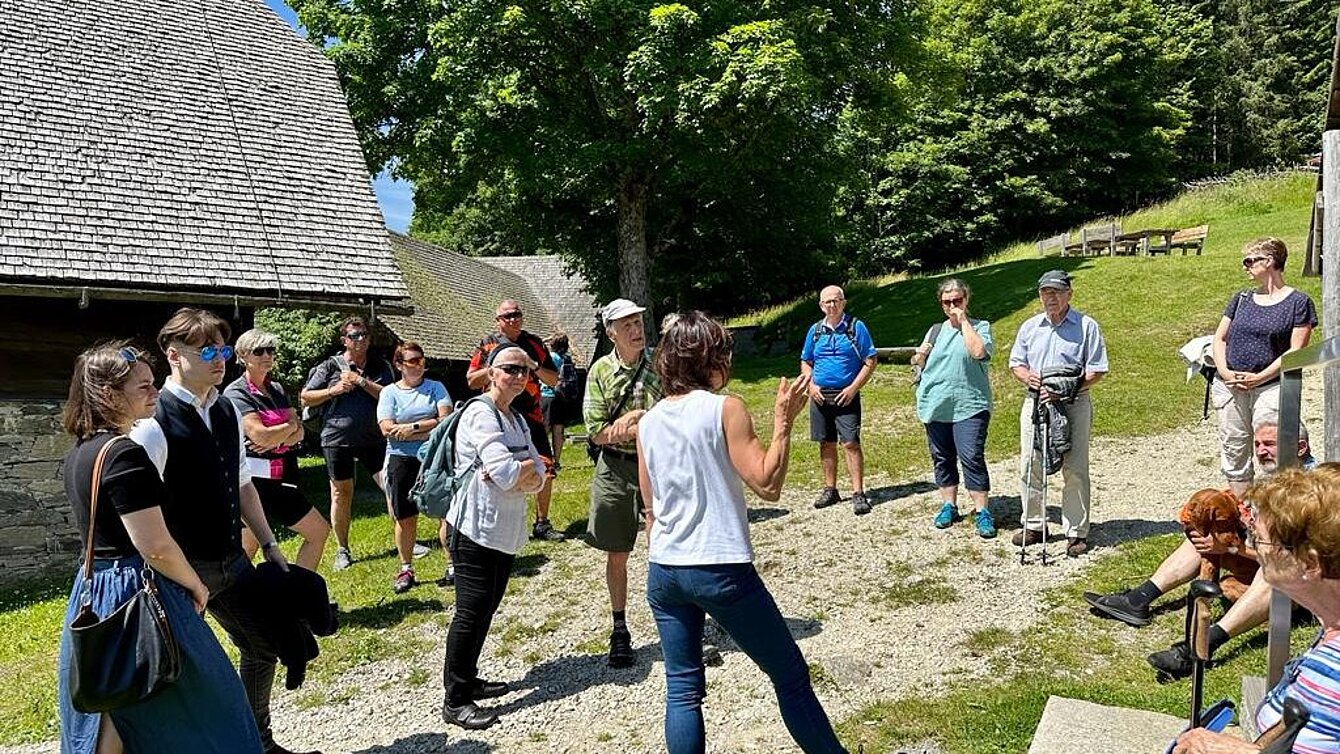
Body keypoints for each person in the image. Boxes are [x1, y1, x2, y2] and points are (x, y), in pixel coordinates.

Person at [638, 311, 848, 754]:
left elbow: (650, 506)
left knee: (682, 689)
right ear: (709, 358)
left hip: (664, 569)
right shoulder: (724, 409)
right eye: (724, 352)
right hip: (718, 566)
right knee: (789, 674)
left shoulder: (649, 421)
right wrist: (784, 422)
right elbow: (768, 484)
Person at [57, 342, 263, 754]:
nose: (154, 394)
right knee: (209, 702)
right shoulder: (124, 455)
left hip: (93, 587)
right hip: (135, 589)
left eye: (153, 385)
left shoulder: (81, 454)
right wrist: (195, 586)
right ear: (109, 394)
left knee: (113, 696)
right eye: (143, 387)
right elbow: (154, 546)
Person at [129, 308, 315, 754]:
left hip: (231, 560)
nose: (220, 359)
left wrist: (268, 544)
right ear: (173, 356)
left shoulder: (226, 409)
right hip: (180, 572)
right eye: (207, 350)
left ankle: (258, 744)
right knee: (177, 673)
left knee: (263, 645)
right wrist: (169, 573)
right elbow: (139, 511)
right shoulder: (154, 425)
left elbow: (243, 483)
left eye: (224, 350)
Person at [1085, 421, 1315, 679]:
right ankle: (1138, 599)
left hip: (1304, 585)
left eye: (1270, 444)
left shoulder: (1310, 493)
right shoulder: (1277, 478)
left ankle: (1201, 645)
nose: (1261, 451)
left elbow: (1290, 559)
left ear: (1300, 448)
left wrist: (1234, 548)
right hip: (1265, 558)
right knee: (1204, 538)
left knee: (1270, 576)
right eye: (1258, 444)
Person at [1172, 466, 1340, 754]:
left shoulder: (1332, 673)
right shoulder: (1330, 634)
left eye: (1259, 540)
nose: (1255, 550)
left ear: (1310, 564)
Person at [441, 346, 547, 731]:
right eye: (510, 369)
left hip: (503, 529)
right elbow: (505, 472)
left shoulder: (515, 418)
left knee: (486, 609)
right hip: (474, 529)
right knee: (470, 613)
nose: (519, 377)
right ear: (490, 372)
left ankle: (468, 679)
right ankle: (455, 700)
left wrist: (522, 471)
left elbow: (538, 471)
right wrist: (519, 470)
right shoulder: (479, 413)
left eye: (525, 371)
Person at [583, 298, 662, 667]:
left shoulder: (661, 364)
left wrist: (642, 424)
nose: (636, 330)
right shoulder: (599, 372)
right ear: (611, 332)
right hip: (615, 468)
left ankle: (682, 626)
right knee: (618, 553)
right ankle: (620, 629)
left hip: (659, 467)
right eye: (627, 325)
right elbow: (596, 432)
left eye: (639, 323)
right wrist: (631, 422)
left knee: (669, 547)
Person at [1009, 269, 1109, 558]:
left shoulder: (1086, 326)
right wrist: (1027, 377)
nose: (1050, 297)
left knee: (1074, 467)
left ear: (1069, 294)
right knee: (1030, 463)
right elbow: (1016, 363)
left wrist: (1064, 390)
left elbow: (1097, 370)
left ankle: (1076, 531)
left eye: (1056, 291)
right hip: (1035, 402)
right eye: (1045, 292)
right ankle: (1034, 524)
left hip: (1074, 403)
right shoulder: (1030, 327)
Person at [1210, 237, 1316, 498]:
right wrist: (1224, 372)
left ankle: (1276, 517)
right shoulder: (1242, 298)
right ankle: (1244, 514)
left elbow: (1296, 350)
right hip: (1231, 386)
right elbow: (1219, 338)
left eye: (1249, 261)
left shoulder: (1298, 302)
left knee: (1274, 449)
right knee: (1234, 449)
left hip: (1270, 386)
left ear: (1269, 262)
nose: (1245, 267)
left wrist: (1259, 377)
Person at [224, 329, 330, 571]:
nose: (266, 356)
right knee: (246, 550)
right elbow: (259, 434)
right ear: (242, 356)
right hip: (250, 483)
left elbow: (300, 431)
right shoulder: (236, 392)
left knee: (319, 531)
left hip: (281, 479)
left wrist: (282, 434)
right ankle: (238, 604)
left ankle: (299, 594)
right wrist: (288, 430)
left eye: (270, 350)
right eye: (259, 351)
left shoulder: (278, 390)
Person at [300, 316, 396, 571]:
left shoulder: (380, 365)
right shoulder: (329, 367)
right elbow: (306, 396)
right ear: (344, 340)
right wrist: (334, 390)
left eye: (364, 334)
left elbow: (390, 394)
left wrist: (361, 381)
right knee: (341, 494)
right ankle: (343, 549)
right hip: (337, 439)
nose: (361, 339)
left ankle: (405, 538)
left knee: (391, 485)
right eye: (354, 336)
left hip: (373, 438)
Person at [466, 300, 565, 542]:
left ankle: (542, 522)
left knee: (546, 466)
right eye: (507, 315)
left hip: (530, 414)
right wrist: (497, 366)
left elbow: (553, 379)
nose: (513, 319)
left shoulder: (534, 343)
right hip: (497, 414)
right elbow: (471, 380)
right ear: (498, 320)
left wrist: (533, 365)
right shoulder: (488, 344)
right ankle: (497, 522)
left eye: (517, 314)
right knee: (494, 469)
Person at [911, 278, 996, 538]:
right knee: (942, 457)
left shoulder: (980, 327)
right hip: (936, 405)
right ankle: (949, 505)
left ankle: (982, 511)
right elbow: (918, 362)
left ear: (966, 299)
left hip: (970, 405)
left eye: (957, 300)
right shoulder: (935, 330)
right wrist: (920, 355)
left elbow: (978, 352)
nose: (952, 306)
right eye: (947, 302)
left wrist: (964, 322)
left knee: (971, 456)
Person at [376, 341, 453, 594]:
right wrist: (426, 425)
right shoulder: (389, 393)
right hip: (400, 459)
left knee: (445, 510)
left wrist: (413, 428)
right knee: (405, 516)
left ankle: (452, 564)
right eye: (412, 361)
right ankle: (406, 567)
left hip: (433, 457)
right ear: (399, 365)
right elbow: (387, 428)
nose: (419, 365)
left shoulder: (436, 387)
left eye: (421, 360)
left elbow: (446, 419)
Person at [800, 285, 878, 515]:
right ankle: (830, 489)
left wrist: (853, 388)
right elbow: (806, 361)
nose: (832, 305)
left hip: (846, 395)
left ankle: (858, 493)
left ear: (843, 302)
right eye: (827, 302)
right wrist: (810, 385)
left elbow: (870, 360)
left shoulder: (856, 327)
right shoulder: (815, 331)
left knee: (851, 443)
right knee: (826, 442)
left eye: (836, 301)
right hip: (820, 395)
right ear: (821, 306)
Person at [540, 332, 582, 469]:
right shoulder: (566, 358)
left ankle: (543, 458)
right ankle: (556, 461)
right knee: (558, 430)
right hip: (562, 397)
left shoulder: (551, 357)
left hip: (548, 395)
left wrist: (545, 341)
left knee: (544, 429)